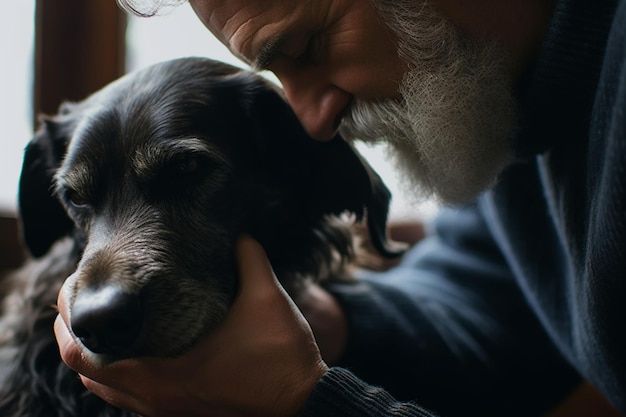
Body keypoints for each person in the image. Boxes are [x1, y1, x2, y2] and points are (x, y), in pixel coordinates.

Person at [54, 0, 626, 415]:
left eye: (307, 48)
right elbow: (494, 312)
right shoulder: (507, 108)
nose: (310, 120)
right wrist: (331, 325)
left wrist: (302, 399)